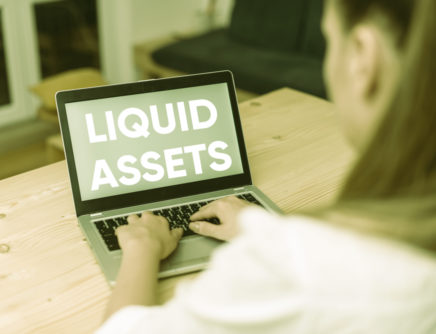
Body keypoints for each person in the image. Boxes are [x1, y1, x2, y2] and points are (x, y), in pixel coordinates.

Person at [96, 0, 436, 332]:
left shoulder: (296, 270)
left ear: (363, 58)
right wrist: (270, 231)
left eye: (329, 39)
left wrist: (142, 249)